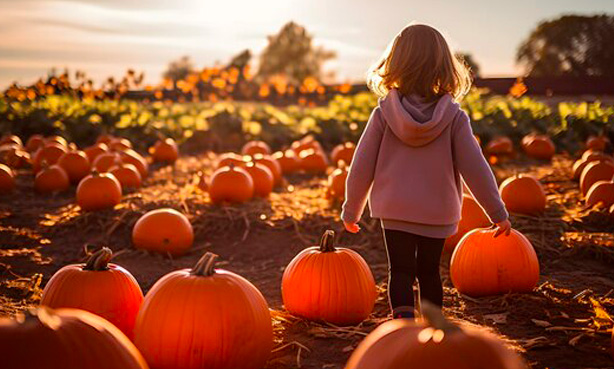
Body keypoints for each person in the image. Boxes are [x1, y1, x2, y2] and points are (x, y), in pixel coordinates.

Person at [341, 23, 511, 320]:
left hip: (394, 208)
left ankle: (403, 327)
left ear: (394, 64)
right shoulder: (454, 118)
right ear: (444, 66)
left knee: (401, 271)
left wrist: (351, 209)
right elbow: (477, 169)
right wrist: (497, 212)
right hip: (437, 211)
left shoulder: (383, 114)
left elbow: (361, 165)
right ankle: (433, 328)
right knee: (430, 273)